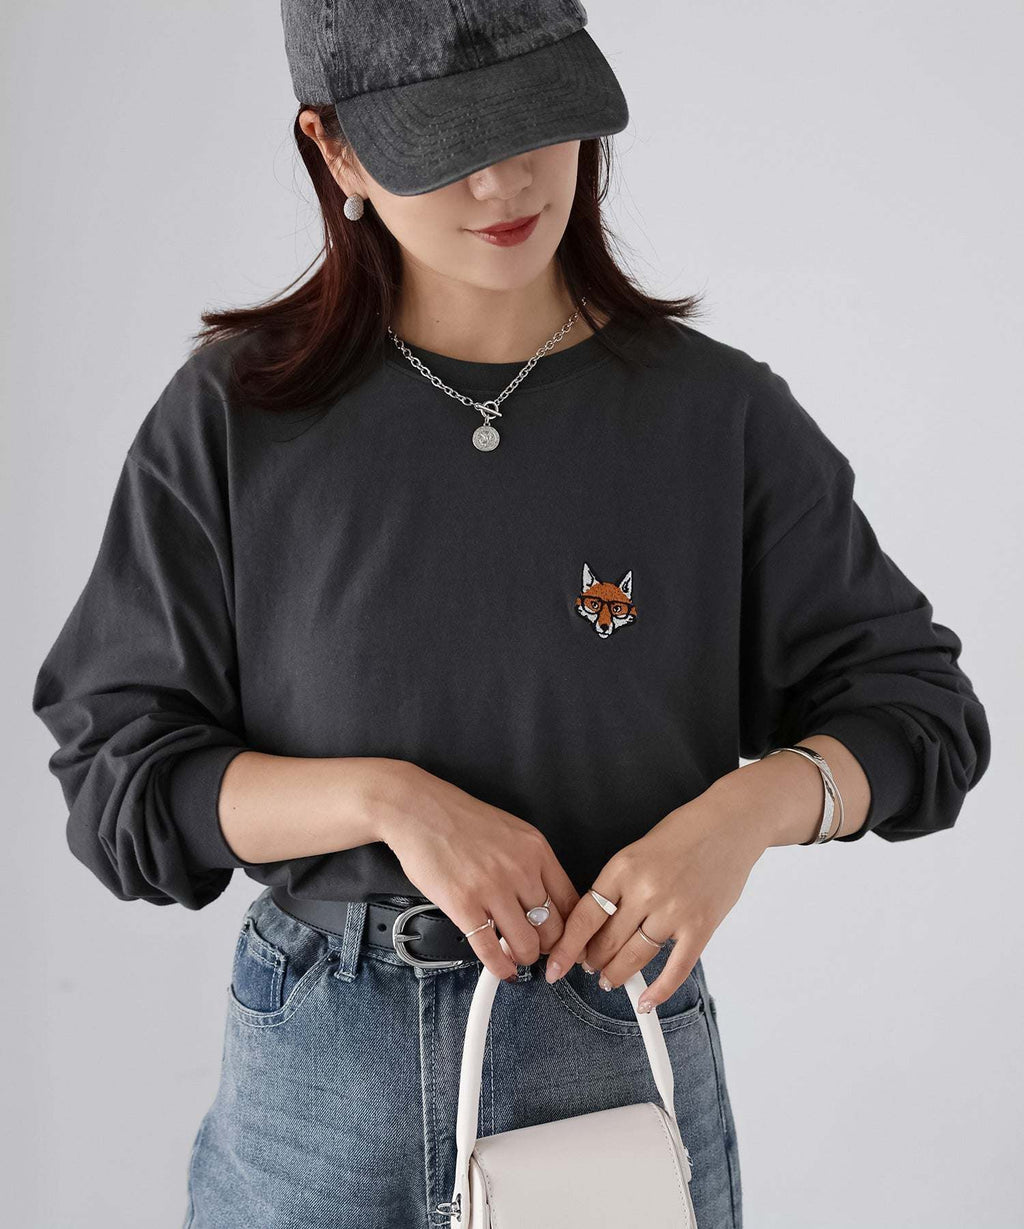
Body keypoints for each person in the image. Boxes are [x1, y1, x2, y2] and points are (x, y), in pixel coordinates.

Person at [30, 3, 991, 1227]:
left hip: (608, 1053)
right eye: (445, 143)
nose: (504, 181)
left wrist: (743, 814)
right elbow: (119, 778)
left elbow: (919, 714)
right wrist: (386, 799)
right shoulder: (234, 417)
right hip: (315, 1084)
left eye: (534, 121)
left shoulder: (716, 420)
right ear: (335, 150)